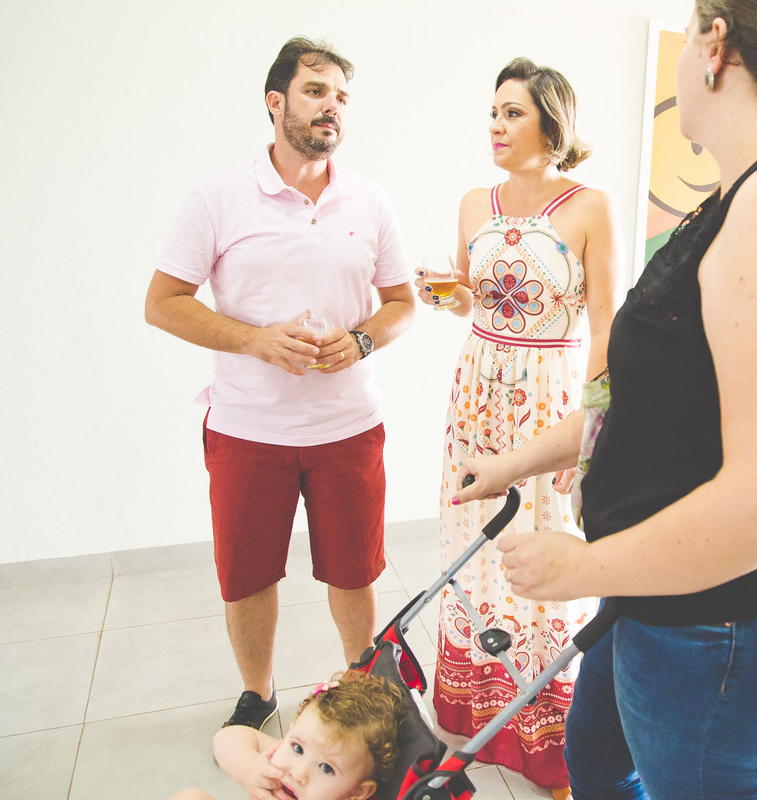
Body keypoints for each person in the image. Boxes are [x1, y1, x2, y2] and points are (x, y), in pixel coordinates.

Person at [453, 2, 757, 798]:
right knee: (594, 764)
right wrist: (511, 464)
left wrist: (583, 566)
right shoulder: (745, 193)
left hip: (736, 618)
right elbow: (642, 392)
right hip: (665, 589)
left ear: (715, 47)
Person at [145, 37, 415, 733]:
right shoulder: (218, 197)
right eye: (317, 91)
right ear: (277, 102)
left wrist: (358, 341)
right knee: (249, 575)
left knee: (355, 572)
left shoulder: (370, 199)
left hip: (349, 428)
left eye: (342, 97)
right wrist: (253, 339)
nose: (333, 107)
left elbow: (402, 303)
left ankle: (363, 685)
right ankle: (258, 692)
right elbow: (163, 300)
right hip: (246, 429)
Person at [414, 57, 621, 798]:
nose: (496, 126)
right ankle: (477, 706)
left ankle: (547, 731)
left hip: (550, 395)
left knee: (545, 552)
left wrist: (589, 429)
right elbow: (479, 299)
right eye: (493, 112)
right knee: (475, 543)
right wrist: (450, 296)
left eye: (512, 113)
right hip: (478, 388)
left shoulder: (590, 207)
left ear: (550, 123)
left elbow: (606, 327)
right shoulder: (475, 202)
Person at [171, 671, 405, 800]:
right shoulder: (287, 762)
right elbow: (228, 737)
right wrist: (250, 770)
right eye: (297, 748)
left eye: (326, 768)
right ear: (291, 731)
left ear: (356, 793)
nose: (299, 773)